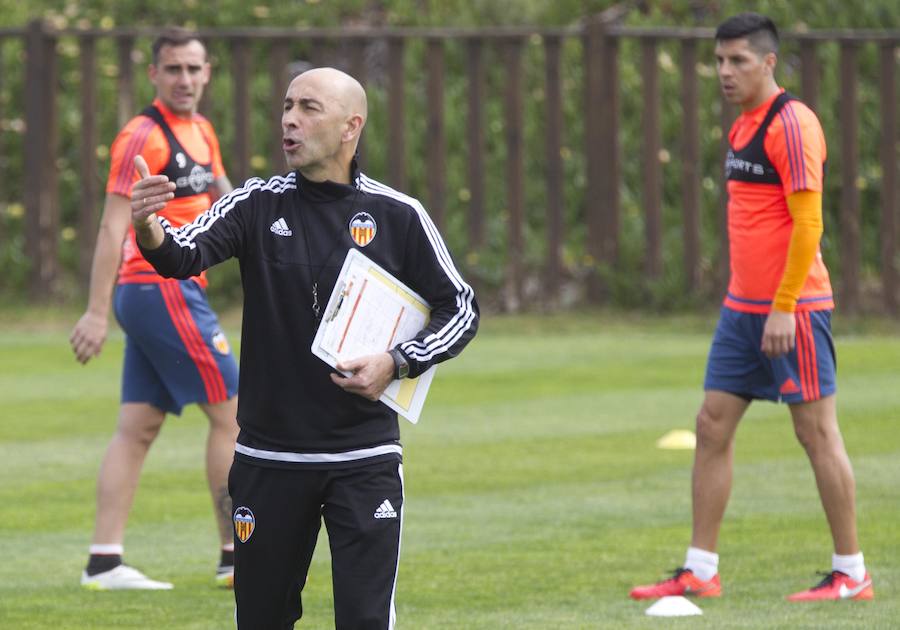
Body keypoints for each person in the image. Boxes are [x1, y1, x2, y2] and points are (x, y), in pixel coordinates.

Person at [129, 66, 479, 628]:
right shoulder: (254, 204)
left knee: (365, 620)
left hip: (363, 460)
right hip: (270, 459)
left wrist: (397, 361)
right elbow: (181, 255)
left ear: (350, 127)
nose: (289, 120)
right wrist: (148, 228)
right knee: (262, 619)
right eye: (287, 106)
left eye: (308, 108)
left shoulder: (399, 215)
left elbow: (461, 308)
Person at [630, 13, 873, 602]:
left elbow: (808, 222)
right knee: (711, 425)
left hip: (796, 308)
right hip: (742, 309)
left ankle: (851, 573)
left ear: (769, 62)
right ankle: (701, 570)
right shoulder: (743, 126)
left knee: (815, 432)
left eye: (738, 60)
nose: (724, 72)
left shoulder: (792, 125)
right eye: (718, 61)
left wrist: (785, 305)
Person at [70, 28, 239, 590]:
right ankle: (235, 556)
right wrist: (96, 313)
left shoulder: (203, 131)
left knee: (137, 426)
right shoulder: (141, 135)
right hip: (159, 287)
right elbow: (111, 227)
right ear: (154, 75)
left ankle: (103, 562)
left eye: (194, 69)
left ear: (208, 71)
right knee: (233, 415)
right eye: (174, 70)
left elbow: (230, 199)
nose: (185, 80)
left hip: (159, 294)